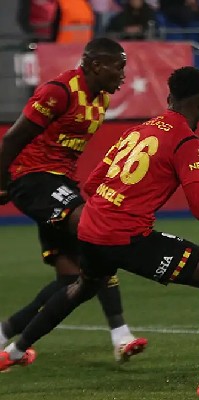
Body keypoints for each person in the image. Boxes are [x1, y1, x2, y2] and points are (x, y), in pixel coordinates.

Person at [0, 66, 199, 400]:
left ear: (169, 98)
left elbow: (93, 183)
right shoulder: (186, 141)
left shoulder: (139, 130)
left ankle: (12, 352)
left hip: (91, 228)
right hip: (125, 236)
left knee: (82, 287)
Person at [0, 37, 147, 363]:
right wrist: (2, 183)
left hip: (59, 184)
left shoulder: (101, 98)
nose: (123, 75)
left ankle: (5, 335)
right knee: (99, 233)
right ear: (96, 65)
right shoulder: (59, 91)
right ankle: (121, 335)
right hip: (33, 179)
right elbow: (12, 138)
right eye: (119, 67)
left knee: (71, 278)